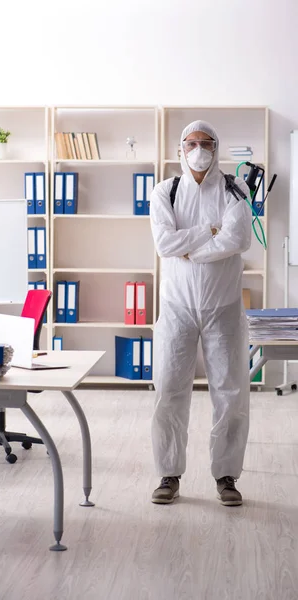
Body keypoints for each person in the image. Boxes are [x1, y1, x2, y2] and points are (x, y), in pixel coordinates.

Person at [149, 120, 252, 506]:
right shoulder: (166, 191)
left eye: (206, 142)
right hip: (177, 307)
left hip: (223, 308)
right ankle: (169, 474)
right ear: (180, 148)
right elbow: (164, 243)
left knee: (230, 393)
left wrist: (193, 249)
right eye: (191, 143)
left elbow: (238, 238)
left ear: (216, 147)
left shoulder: (233, 189)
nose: (198, 149)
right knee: (170, 390)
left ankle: (226, 475)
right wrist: (210, 231)